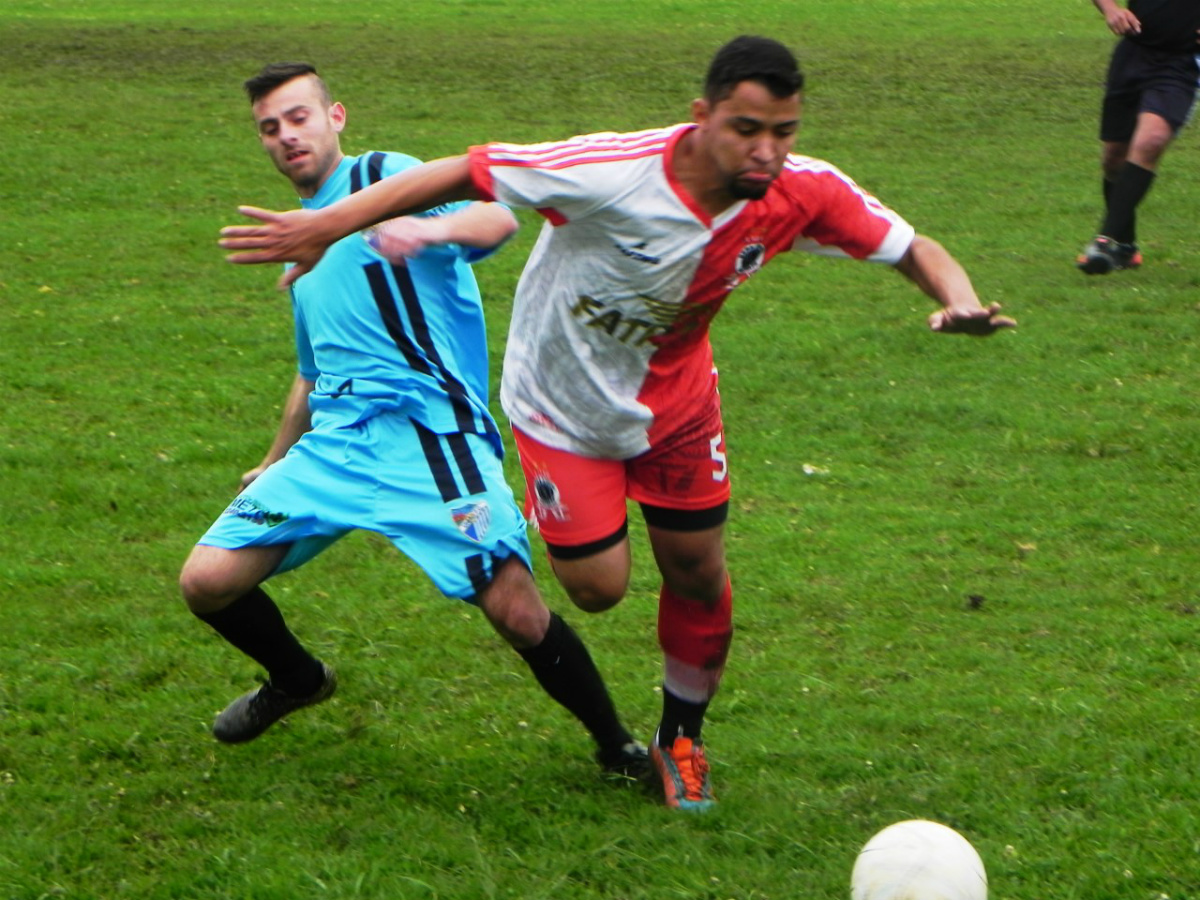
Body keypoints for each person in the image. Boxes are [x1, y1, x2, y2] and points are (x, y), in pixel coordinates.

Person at [218, 38, 1016, 812]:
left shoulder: (802, 190)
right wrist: (329, 226)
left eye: (783, 132)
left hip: (676, 410)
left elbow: (913, 245)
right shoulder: (612, 169)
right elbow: (469, 172)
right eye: (746, 129)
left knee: (699, 571)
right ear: (702, 117)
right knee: (597, 591)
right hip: (559, 412)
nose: (765, 151)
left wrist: (959, 297)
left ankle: (681, 739)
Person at [181, 62, 648, 782]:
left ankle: (618, 748)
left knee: (517, 612)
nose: (286, 137)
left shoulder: (382, 178)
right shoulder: (301, 240)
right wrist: (277, 456)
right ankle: (300, 681)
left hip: (429, 437)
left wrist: (430, 235)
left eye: (299, 117)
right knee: (206, 582)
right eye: (269, 128)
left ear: (335, 116)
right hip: (335, 445)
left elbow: (494, 215)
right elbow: (309, 372)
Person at [1076, 0, 1200, 274]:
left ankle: (1105, 242)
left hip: (1183, 61)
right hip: (1133, 53)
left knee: (1151, 140)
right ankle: (1125, 246)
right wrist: (1111, 9)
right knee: (1114, 158)